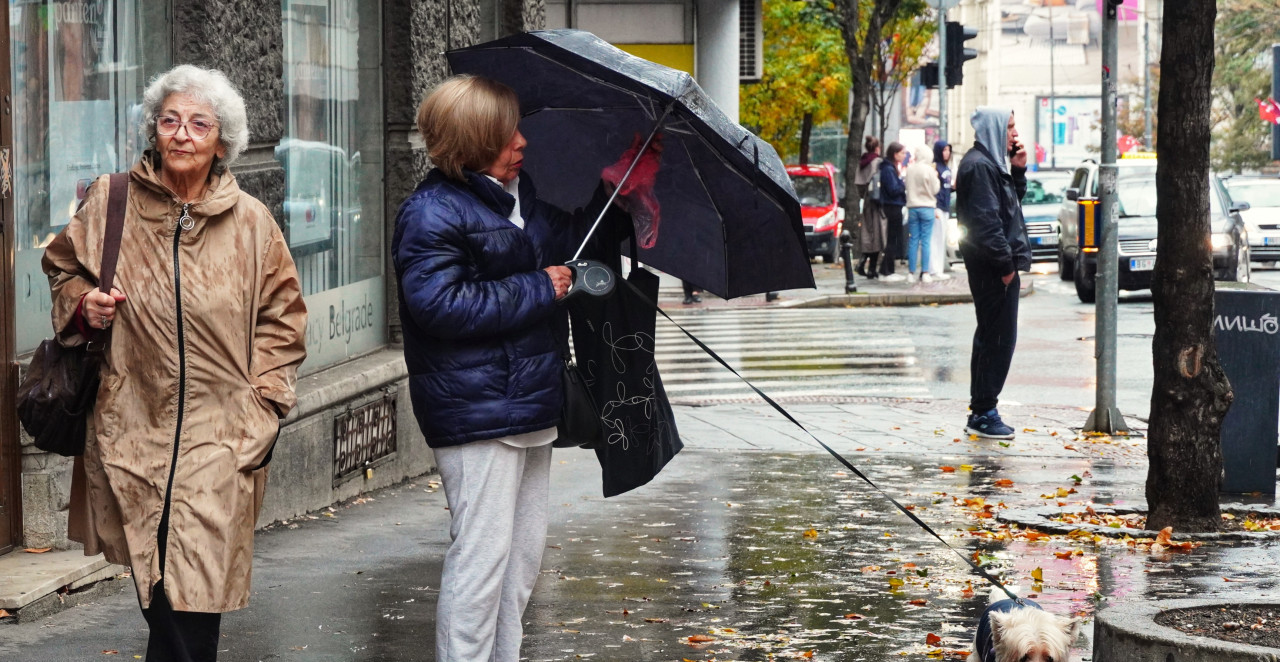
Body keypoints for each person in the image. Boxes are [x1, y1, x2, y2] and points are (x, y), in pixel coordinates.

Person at [44, 64, 307, 661]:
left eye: (198, 123)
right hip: (130, 425)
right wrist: (85, 305)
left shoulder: (252, 224)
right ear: (154, 130)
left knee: (195, 589)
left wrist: (263, 405)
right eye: (170, 121)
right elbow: (63, 268)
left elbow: (283, 321)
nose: (182, 134)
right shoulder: (111, 202)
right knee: (154, 579)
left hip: (222, 437)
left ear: (221, 141)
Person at [392, 75, 659, 662]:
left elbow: (569, 243)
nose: (522, 141)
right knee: (480, 564)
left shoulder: (517, 194)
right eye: (508, 131)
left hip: (532, 403)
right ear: (476, 139)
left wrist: (617, 193)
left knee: (519, 565)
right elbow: (439, 307)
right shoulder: (431, 213)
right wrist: (539, 287)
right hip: (476, 414)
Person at [955, 107, 1031, 440]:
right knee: (997, 340)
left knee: (994, 337)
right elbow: (986, 223)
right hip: (993, 269)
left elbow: (1008, 206)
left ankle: (983, 409)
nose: (1014, 134)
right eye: (1009, 127)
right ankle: (984, 412)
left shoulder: (990, 164)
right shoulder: (979, 166)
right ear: (994, 129)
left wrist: (1018, 173)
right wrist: (1005, 269)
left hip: (996, 267)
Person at [904, 144, 940, 283]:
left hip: (913, 207)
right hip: (927, 207)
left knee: (913, 240)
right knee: (926, 241)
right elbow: (935, 189)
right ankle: (925, 272)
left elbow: (907, 186)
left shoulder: (910, 169)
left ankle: (911, 272)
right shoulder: (929, 170)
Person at [854, 136, 885, 279]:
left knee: (868, 234)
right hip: (877, 203)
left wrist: (864, 194)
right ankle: (869, 267)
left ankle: (864, 264)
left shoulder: (862, 162)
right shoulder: (878, 162)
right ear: (877, 148)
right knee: (877, 236)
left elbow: (859, 184)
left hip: (866, 200)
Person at [877, 142, 908, 279]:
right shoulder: (889, 169)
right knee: (892, 238)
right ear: (895, 154)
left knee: (893, 238)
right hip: (892, 206)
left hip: (894, 205)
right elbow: (893, 189)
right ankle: (886, 271)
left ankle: (888, 269)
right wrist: (903, 185)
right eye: (902, 153)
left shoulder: (891, 168)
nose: (904, 155)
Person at [931, 140, 953, 280]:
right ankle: (934, 269)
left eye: (948, 150)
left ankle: (938, 268)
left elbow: (948, 188)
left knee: (942, 238)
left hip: (945, 206)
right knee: (935, 238)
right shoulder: (935, 167)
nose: (947, 153)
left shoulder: (947, 168)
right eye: (944, 150)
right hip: (937, 206)